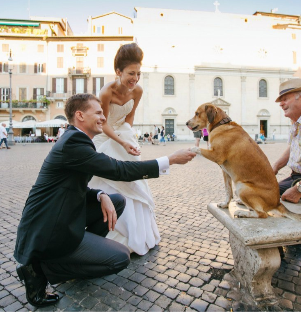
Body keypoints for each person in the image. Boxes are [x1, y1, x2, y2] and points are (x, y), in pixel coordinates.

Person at [14, 93, 196, 308]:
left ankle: (76, 252)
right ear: (80, 115)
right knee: (119, 258)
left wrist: (101, 195)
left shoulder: (75, 139)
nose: (103, 117)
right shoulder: (74, 142)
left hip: (59, 216)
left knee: (116, 200)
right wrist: (170, 159)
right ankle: (40, 268)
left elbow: (72, 186)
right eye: (98, 113)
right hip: (49, 230)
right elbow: (119, 169)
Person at [88, 43, 159, 255]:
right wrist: (121, 142)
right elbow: (102, 123)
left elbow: (130, 115)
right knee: (113, 179)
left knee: (134, 180)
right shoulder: (106, 92)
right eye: (130, 73)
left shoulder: (138, 90)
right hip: (105, 137)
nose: (135, 78)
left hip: (123, 134)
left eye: (138, 73)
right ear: (118, 72)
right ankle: (111, 232)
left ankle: (138, 233)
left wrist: (127, 134)